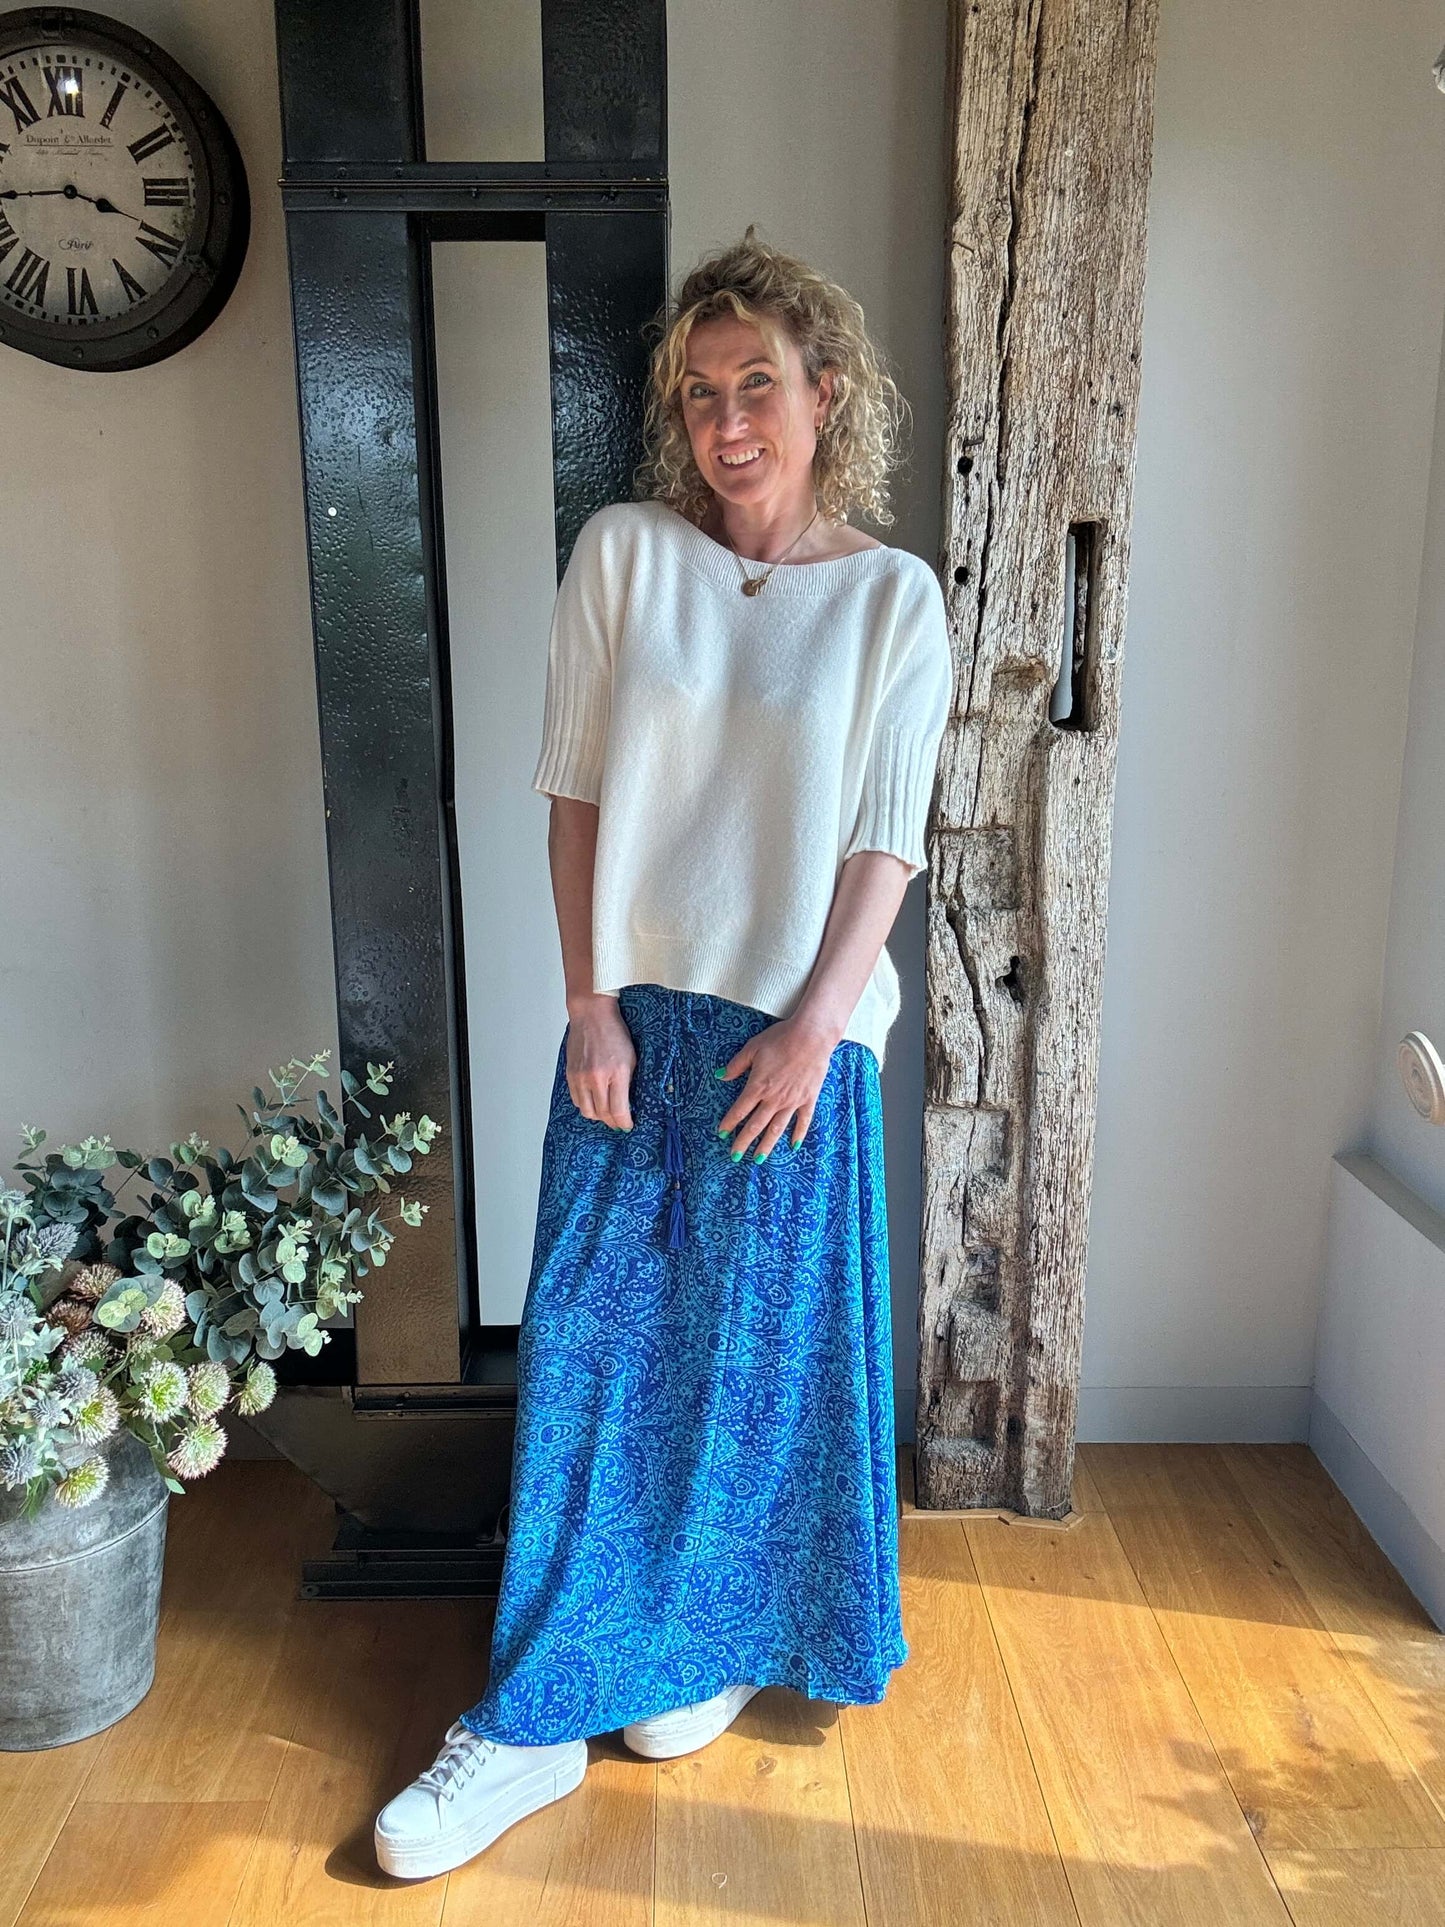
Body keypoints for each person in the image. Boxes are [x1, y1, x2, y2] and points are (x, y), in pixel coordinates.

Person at [373, 226, 953, 1881]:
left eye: (757, 384)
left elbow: (883, 839)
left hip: (796, 1035)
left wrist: (817, 1026)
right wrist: (584, 999)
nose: (727, 421)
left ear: (824, 395)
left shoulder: (891, 599)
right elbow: (572, 794)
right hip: (632, 1019)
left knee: (755, 1368)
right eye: (700, 394)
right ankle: (531, 1724)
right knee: (596, 1355)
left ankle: (698, 1640)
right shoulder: (623, 555)